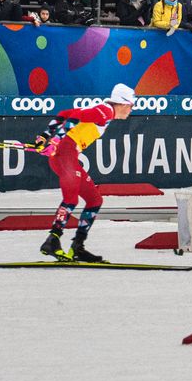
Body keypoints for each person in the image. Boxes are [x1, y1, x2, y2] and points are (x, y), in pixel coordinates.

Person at [33, 82, 138, 263]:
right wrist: (55, 140)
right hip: (65, 153)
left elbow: (65, 114)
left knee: (95, 200)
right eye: (131, 105)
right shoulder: (106, 111)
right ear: (121, 104)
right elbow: (76, 116)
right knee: (71, 199)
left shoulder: (103, 111)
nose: (131, 110)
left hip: (67, 156)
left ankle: (77, 247)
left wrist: (45, 136)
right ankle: (52, 240)